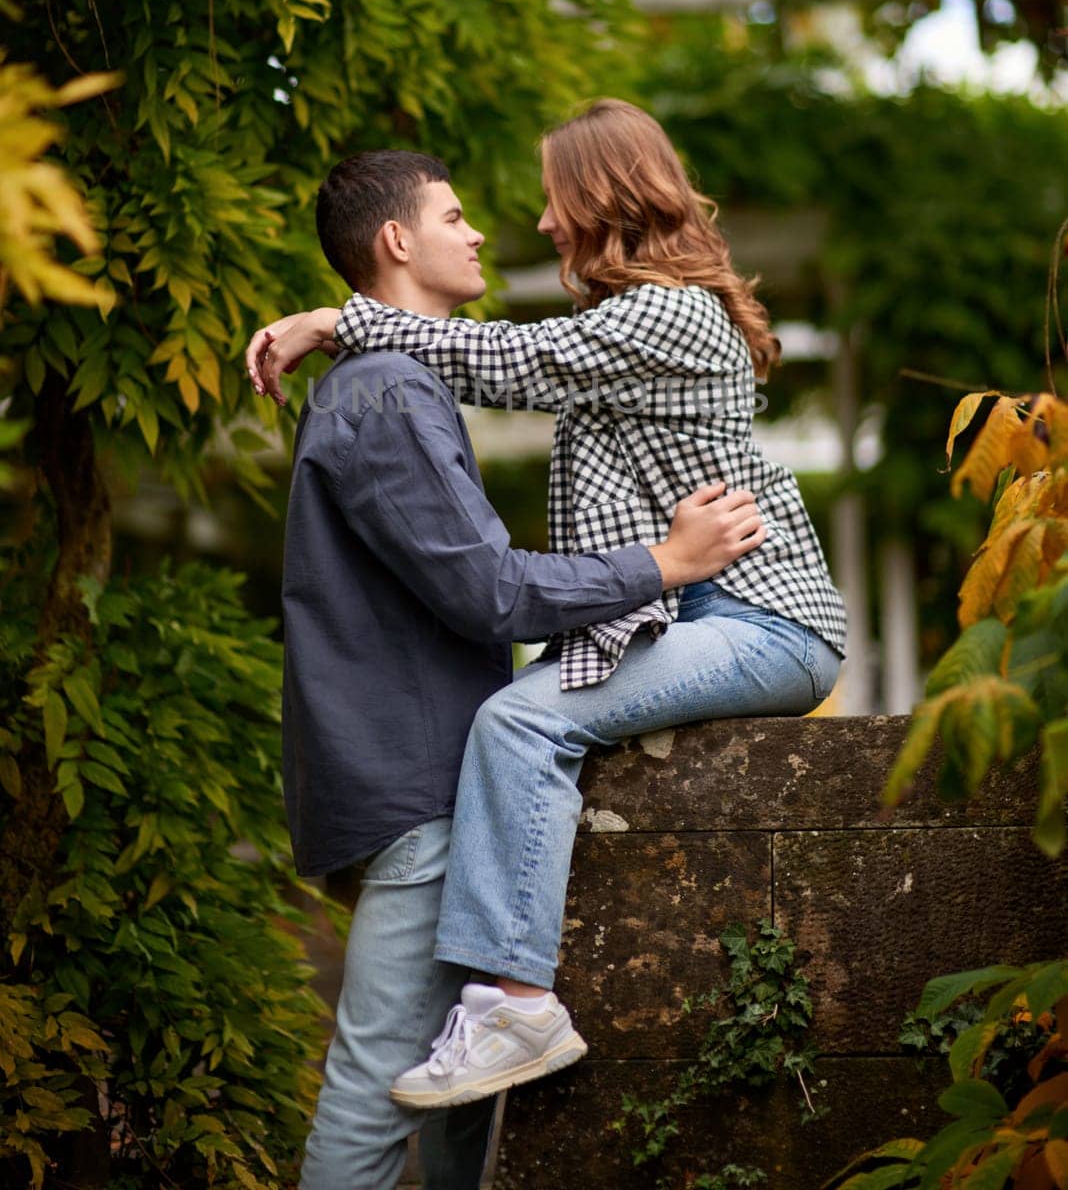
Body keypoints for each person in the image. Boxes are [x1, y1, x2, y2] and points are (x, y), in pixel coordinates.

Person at [250, 100, 846, 1115]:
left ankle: (519, 1003)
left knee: (520, 718)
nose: (535, 224)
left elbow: (506, 364)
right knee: (533, 714)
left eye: (552, 198)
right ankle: (499, 1015)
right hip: (700, 612)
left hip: (760, 616)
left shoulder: (662, 312)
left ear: (601, 197)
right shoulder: (628, 323)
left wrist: (333, 317)